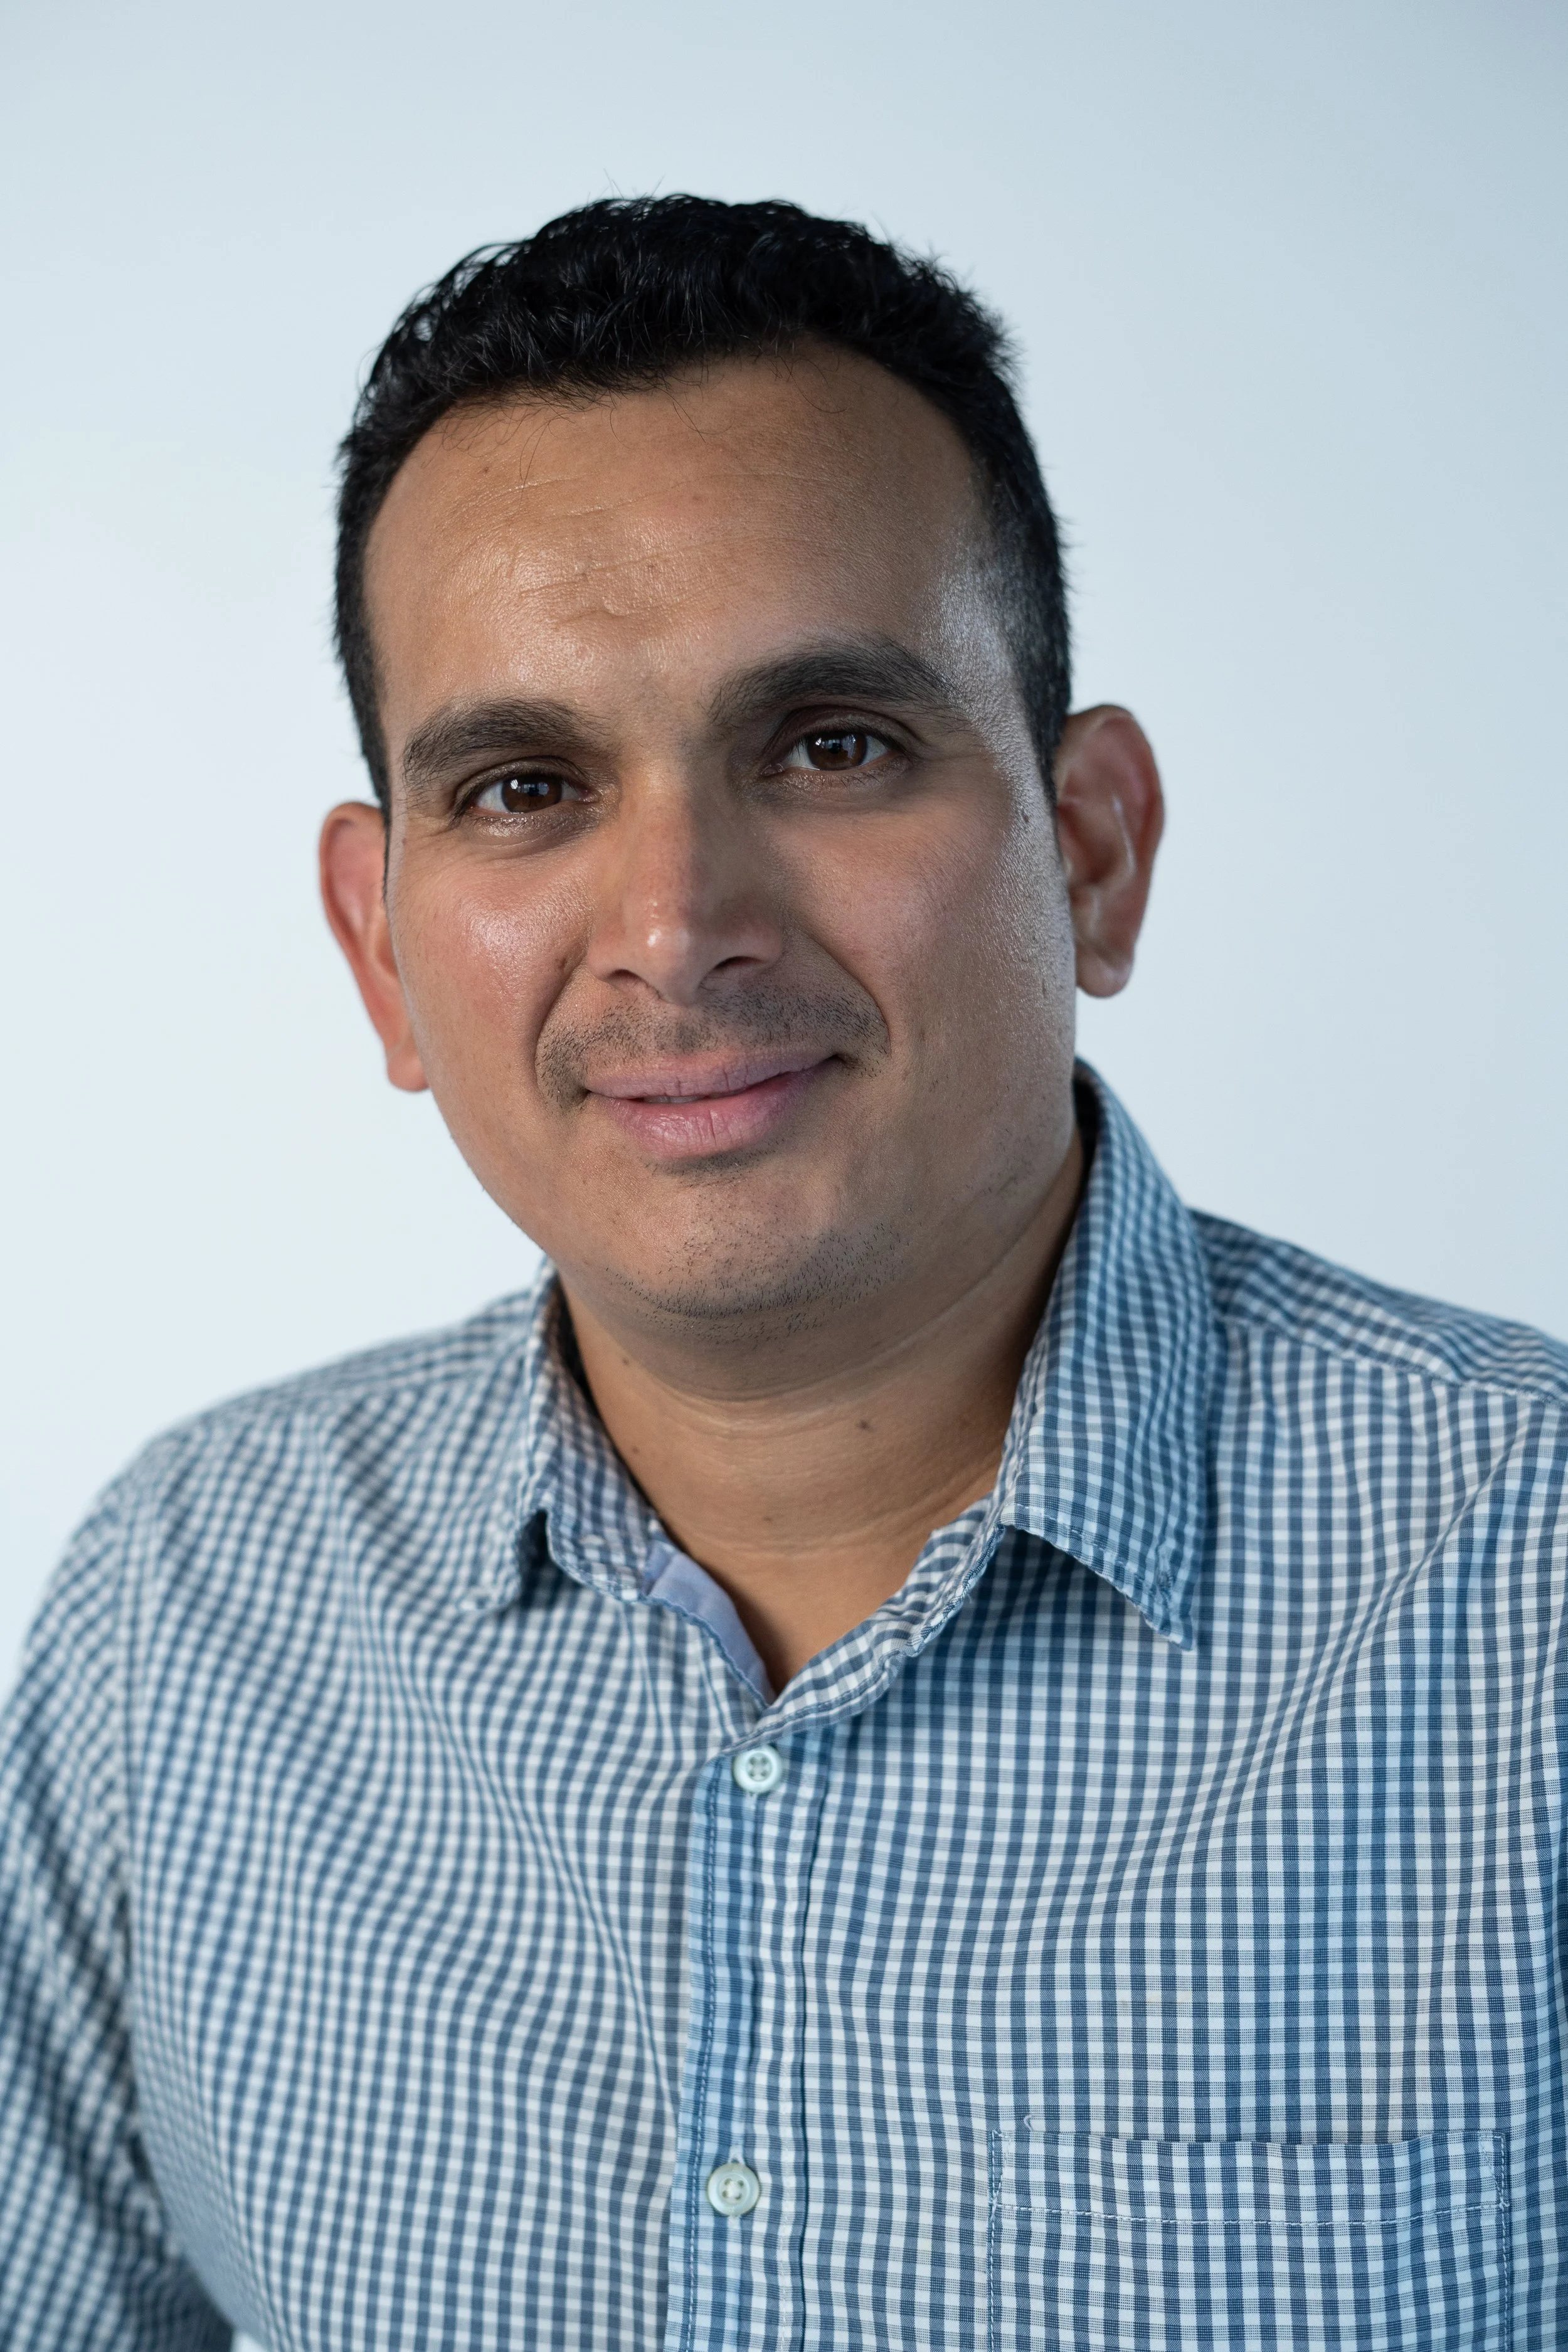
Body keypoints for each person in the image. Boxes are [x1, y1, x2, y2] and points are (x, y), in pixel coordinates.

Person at [1, 195, 1563, 2352]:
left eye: (829, 743)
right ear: (381, 945)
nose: (677, 920)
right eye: (527, 784)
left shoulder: (1528, 1593)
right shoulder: (190, 1614)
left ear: (1089, 846)